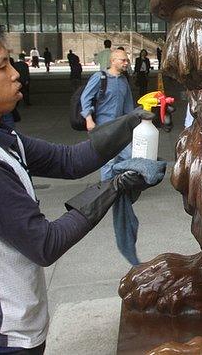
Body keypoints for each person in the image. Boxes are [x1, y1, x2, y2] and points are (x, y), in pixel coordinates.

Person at [0, 16, 162, 354]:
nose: (16, 73)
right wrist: (116, 185)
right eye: (2, 67)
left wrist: (133, 118)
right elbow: (45, 243)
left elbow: (70, 161)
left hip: (3, 330)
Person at [79, 49, 140, 263]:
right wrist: (89, 120)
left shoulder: (123, 82)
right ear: (113, 60)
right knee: (107, 163)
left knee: (130, 156)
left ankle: (122, 187)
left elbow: (129, 107)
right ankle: (108, 192)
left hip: (121, 129)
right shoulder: (100, 78)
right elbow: (86, 99)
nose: (126, 62)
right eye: (123, 60)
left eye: (127, 60)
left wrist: (135, 123)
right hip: (104, 129)